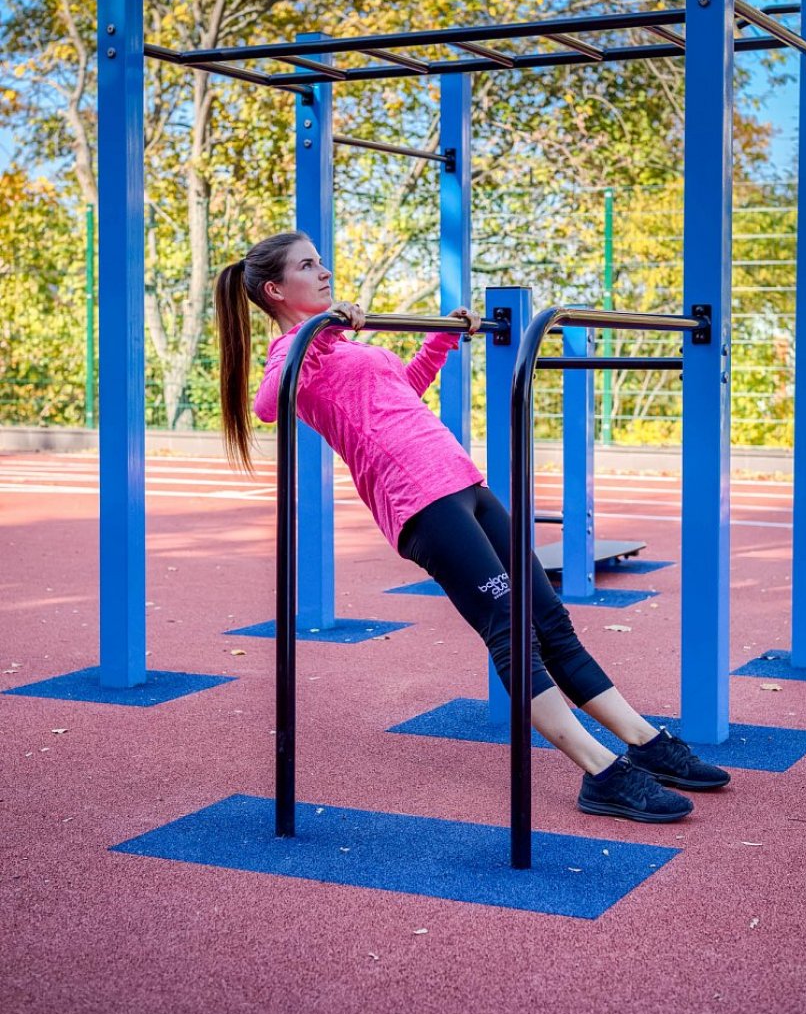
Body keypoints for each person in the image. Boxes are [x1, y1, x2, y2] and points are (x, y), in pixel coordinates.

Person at [215, 230, 730, 823]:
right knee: (510, 631)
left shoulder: (338, 343)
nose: (324, 270)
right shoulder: (297, 350)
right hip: (419, 503)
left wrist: (438, 340)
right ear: (277, 289)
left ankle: (644, 740)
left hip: (462, 483)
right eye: (308, 265)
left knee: (548, 618)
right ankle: (601, 772)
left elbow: (396, 394)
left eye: (321, 259)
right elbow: (268, 404)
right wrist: (325, 332)